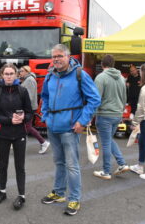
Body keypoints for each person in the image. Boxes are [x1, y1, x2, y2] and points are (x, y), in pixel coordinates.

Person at [40, 44, 101, 216]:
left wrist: (82, 121)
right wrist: (45, 116)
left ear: (68, 57)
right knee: (58, 162)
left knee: (72, 165)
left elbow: (95, 99)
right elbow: (44, 96)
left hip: (70, 128)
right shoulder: (50, 74)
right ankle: (59, 193)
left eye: (59, 56)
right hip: (53, 127)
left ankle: (74, 199)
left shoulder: (80, 74)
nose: (56, 59)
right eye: (54, 56)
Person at [0, 63, 32, 210]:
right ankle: (2, 191)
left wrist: (23, 118)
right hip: (2, 134)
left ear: (16, 75)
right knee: (3, 164)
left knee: (20, 166)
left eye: (11, 73)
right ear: (2, 75)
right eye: (6, 74)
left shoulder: (22, 91)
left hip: (19, 133)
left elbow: (29, 112)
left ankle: (21, 195)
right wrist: (9, 120)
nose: (8, 76)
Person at [93, 55, 129, 180]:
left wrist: (89, 116)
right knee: (108, 140)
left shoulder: (101, 77)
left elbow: (95, 99)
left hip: (105, 115)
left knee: (106, 143)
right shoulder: (121, 78)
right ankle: (122, 163)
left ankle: (106, 171)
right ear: (113, 64)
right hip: (117, 114)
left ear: (102, 64)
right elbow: (124, 98)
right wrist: (121, 113)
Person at [19, 65, 50, 154]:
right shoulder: (27, 79)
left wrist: (24, 107)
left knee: (27, 127)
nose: (20, 73)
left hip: (29, 108)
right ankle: (20, 144)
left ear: (26, 71)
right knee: (24, 126)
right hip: (29, 107)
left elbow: (30, 96)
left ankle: (43, 142)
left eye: (21, 71)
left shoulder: (29, 80)